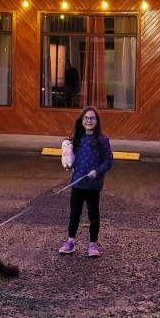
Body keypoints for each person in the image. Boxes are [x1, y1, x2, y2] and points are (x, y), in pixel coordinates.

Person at [58, 106, 113, 258]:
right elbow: (70, 158)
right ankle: (70, 242)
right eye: (86, 118)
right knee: (74, 213)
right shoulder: (76, 139)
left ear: (97, 121)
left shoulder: (102, 140)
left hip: (93, 185)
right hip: (77, 183)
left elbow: (108, 161)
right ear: (82, 121)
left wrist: (97, 171)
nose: (89, 121)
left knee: (93, 214)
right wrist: (68, 164)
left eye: (92, 118)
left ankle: (93, 244)